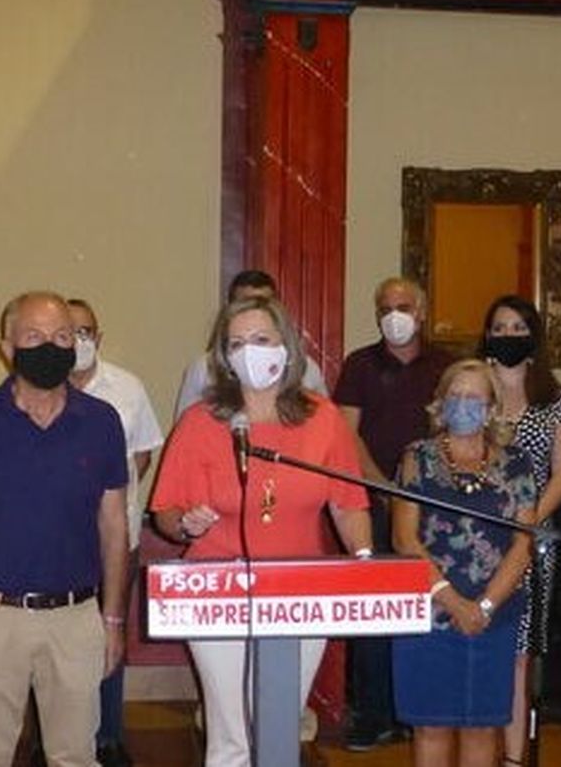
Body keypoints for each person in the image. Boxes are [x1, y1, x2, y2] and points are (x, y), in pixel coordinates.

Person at [150, 295, 374, 767]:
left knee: (279, 723)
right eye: (236, 344)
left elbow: (348, 503)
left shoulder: (322, 418)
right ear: (223, 357)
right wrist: (185, 523)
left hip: (301, 592)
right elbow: (165, 511)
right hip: (217, 589)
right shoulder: (201, 422)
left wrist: (364, 563)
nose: (249, 351)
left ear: (286, 347)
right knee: (231, 732)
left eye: (260, 339)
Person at [0, 291, 130, 767]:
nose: (51, 347)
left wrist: (113, 620)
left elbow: (115, 528)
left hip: (76, 617)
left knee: (75, 757)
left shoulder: (102, 422)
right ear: (6, 348)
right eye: (34, 337)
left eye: (62, 336)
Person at [391, 359, 537, 767]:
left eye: (474, 397)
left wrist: (484, 607)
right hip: (430, 610)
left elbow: (523, 543)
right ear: (440, 403)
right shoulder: (417, 457)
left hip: (494, 614)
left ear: (491, 408)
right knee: (431, 726)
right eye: (455, 395)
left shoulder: (517, 463)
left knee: (482, 727)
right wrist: (454, 603)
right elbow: (404, 539)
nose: (463, 404)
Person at [332, 276, 453, 751]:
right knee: (374, 613)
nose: (394, 316)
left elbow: (455, 428)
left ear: (421, 312)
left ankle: (417, 711)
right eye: (385, 308)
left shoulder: (444, 366)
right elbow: (347, 435)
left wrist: (423, 491)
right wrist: (384, 486)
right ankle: (372, 713)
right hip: (375, 503)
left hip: (435, 506)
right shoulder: (360, 365)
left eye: (402, 306)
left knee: (428, 608)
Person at [476, 295, 561, 763]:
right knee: (481, 648)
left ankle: (515, 758)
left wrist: (532, 519)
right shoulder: (472, 390)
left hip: (533, 539)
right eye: (500, 327)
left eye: (518, 327)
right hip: (476, 538)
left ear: (533, 335)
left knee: (520, 655)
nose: (509, 335)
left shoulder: (554, 400)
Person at [67, 297, 165, 767]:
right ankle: (56, 739)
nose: (79, 340)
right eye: (70, 332)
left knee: (110, 631)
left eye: (86, 331)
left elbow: (142, 454)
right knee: (56, 642)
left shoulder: (127, 387)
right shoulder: (39, 387)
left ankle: (107, 736)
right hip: (59, 541)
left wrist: (111, 499)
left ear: (98, 337)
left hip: (116, 538)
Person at [173, 269, 327, 419]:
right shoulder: (203, 369)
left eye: (262, 339)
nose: (254, 311)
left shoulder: (307, 369)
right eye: (237, 343)